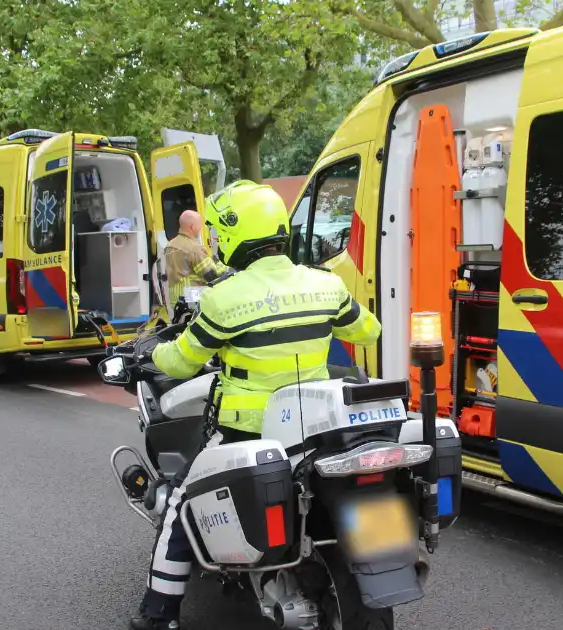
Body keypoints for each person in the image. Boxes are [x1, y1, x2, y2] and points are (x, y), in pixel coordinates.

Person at [129, 181, 381, 630]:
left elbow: (183, 360)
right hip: (313, 429)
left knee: (182, 504)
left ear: (232, 234)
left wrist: (150, 355)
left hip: (247, 430)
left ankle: (158, 614)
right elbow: (368, 331)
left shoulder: (225, 298)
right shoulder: (326, 284)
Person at [163, 209, 228, 308]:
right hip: (192, 299)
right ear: (192, 227)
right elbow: (211, 275)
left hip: (176, 300)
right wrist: (227, 267)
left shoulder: (170, 245)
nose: (201, 228)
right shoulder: (193, 248)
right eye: (200, 225)